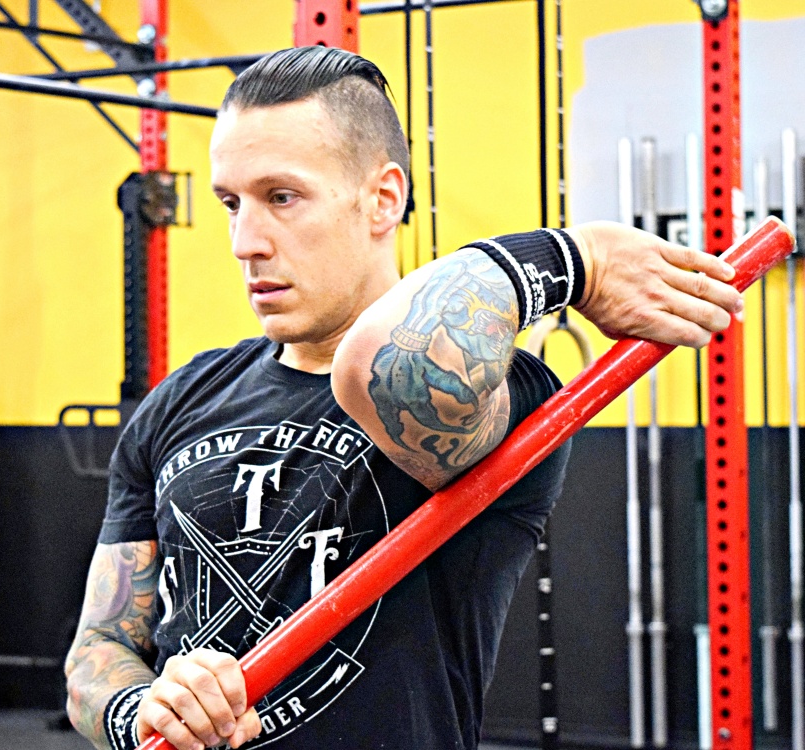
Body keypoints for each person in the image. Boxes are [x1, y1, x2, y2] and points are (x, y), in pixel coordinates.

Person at [65, 46, 742, 750]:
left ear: (383, 200)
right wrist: (144, 707)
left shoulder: (494, 393)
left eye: (282, 197)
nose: (245, 241)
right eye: (231, 204)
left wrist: (576, 258)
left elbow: (381, 370)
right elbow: (98, 650)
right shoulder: (182, 400)